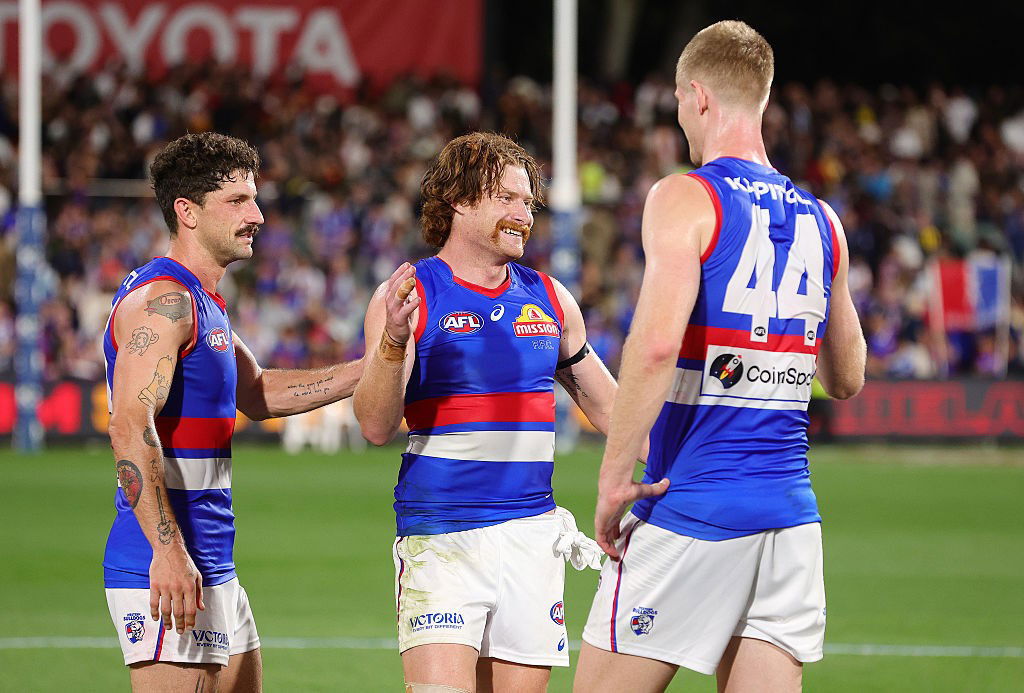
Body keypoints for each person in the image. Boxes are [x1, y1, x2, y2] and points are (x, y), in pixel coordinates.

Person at [573, 21, 866, 693]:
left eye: (677, 99)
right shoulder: (825, 222)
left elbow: (653, 345)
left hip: (692, 504)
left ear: (697, 96)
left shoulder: (685, 196)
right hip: (788, 519)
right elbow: (846, 377)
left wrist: (615, 479)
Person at [354, 132, 616, 693]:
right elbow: (375, 425)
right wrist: (395, 340)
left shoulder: (550, 298)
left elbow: (613, 411)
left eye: (529, 203)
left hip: (531, 537)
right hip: (443, 538)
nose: (524, 215)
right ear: (459, 200)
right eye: (507, 199)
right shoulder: (409, 295)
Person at [102, 132, 363, 692]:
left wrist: (380, 366)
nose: (258, 216)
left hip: (213, 561)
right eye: (238, 201)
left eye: (255, 199)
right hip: (169, 565)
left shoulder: (202, 303)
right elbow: (128, 423)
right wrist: (168, 553)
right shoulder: (163, 301)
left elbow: (260, 392)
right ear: (187, 212)